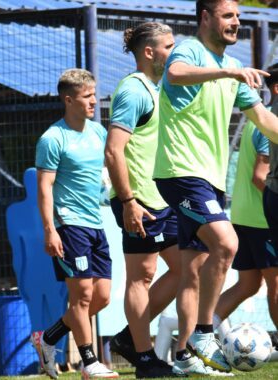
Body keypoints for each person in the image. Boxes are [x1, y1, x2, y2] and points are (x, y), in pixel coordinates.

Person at [153, 0, 278, 376]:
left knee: (195, 269)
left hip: (207, 178)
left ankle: (186, 356)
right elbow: (174, 73)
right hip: (180, 172)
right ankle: (205, 334)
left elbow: (266, 121)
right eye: (228, 15)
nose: (235, 22)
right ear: (205, 17)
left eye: (238, 16)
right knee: (226, 243)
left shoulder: (235, 70)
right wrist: (227, 73)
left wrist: (231, 74)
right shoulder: (191, 50)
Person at [103, 22, 180, 378]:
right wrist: (129, 201)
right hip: (139, 201)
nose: (174, 51)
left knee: (188, 269)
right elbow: (113, 152)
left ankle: (126, 338)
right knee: (142, 276)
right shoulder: (133, 91)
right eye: (168, 46)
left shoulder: (157, 87)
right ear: (149, 52)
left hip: (162, 199)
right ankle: (145, 355)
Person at [35, 69, 118, 380]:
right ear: (68, 100)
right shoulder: (52, 138)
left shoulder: (98, 132)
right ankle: (90, 363)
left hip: (96, 223)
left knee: (102, 297)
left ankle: (48, 338)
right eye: (87, 97)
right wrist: (50, 229)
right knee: (81, 296)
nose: (94, 101)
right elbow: (45, 188)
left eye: (94, 95)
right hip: (69, 224)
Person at [222, 63, 278, 339]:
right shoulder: (269, 122)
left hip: (244, 214)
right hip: (261, 217)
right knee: (276, 282)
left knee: (248, 284)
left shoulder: (258, 121)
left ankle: (204, 329)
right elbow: (261, 176)